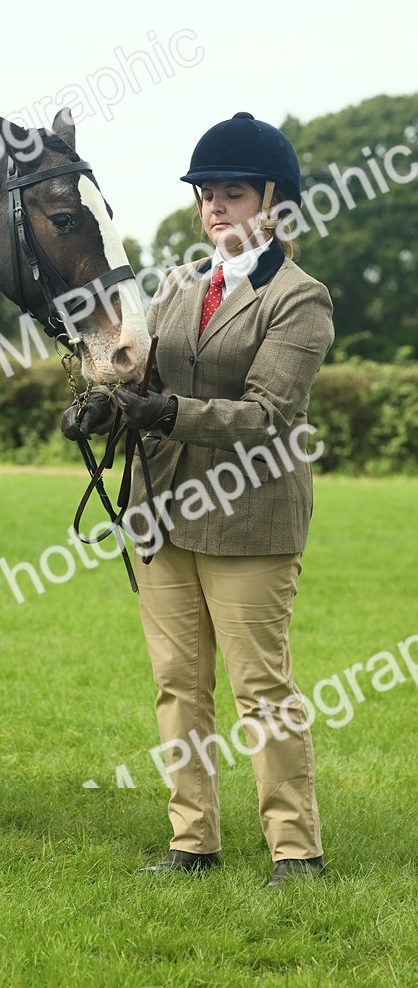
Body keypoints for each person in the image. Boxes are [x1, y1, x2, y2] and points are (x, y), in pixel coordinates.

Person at [62, 111, 334, 888]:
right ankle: (193, 842)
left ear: (274, 203)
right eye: (208, 195)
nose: (216, 208)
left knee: (262, 690)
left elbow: (267, 416)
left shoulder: (299, 299)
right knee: (178, 685)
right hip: (162, 512)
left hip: (249, 519)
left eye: (234, 194)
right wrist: (111, 406)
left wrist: (165, 412)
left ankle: (296, 850)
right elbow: (148, 378)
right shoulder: (180, 285)